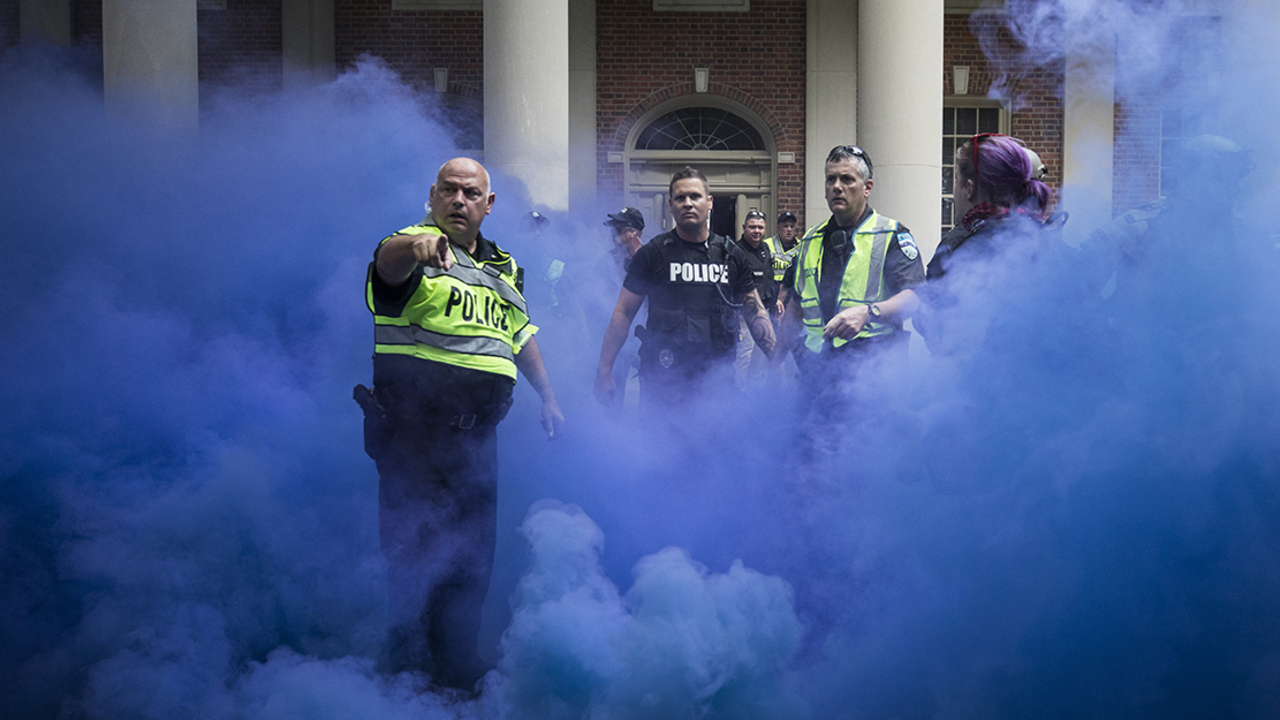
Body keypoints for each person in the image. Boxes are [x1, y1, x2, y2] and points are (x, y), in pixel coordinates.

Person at [357, 157, 564, 690]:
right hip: (414, 437)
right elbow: (388, 263)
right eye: (448, 190)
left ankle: (456, 665)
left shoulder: (504, 266)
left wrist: (548, 396)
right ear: (431, 196)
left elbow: (519, 332)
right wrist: (414, 248)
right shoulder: (411, 244)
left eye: (470, 192)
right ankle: (405, 674)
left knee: (472, 557)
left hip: (477, 439)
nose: (458, 200)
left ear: (488, 205)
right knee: (413, 554)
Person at [594, 167, 776, 413]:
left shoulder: (732, 255)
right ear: (670, 205)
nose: (688, 203)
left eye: (695, 196)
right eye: (680, 198)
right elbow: (623, 313)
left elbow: (756, 313)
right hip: (663, 382)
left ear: (709, 202)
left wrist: (778, 361)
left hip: (716, 383)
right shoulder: (652, 254)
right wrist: (604, 371)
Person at [780, 145, 924, 449]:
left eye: (847, 179)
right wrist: (779, 359)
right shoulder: (810, 239)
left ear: (867, 187)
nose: (837, 187)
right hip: (819, 376)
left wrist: (868, 313)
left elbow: (913, 297)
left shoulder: (892, 235)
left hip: (874, 375)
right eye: (831, 179)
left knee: (866, 462)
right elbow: (795, 303)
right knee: (811, 464)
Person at [914, 134, 1057, 360]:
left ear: (968, 189)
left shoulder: (961, 253)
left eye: (956, 181)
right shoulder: (1055, 246)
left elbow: (941, 338)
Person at [734, 210, 778, 383]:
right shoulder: (736, 251)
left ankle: (755, 393)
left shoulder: (765, 249)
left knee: (761, 355)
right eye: (752, 227)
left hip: (765, 311)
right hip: (743, 315)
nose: (756, 231)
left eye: (760, 227)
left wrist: (776, 302)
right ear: (744, 227)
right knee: (745, 353)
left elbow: (769, 279)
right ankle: (739, 392)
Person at [604, 205, 646, 272]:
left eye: (618, 230)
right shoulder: (609, 260)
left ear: (632, 232)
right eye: (612, 230)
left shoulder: (648, 260)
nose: (613, 234)